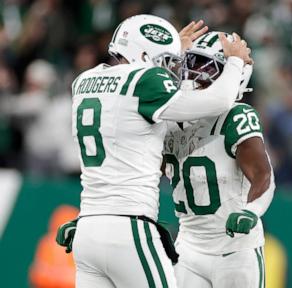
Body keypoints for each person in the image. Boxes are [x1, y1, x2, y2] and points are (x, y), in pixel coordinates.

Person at [57, 15, 252, 288]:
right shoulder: (145, 80)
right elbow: (217, 100)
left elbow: (128, 116)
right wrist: (235, 63)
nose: (170, 66)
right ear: (145, 53)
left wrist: (175, 49)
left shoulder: (83, 81)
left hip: (88, 227)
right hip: (128, 227)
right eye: (165, 59)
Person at [163, 31, 275, 288]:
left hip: (234, 250)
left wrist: (252, 211)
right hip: (189, 245)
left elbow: (263, 175)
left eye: (206, 67)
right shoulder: (170, 115)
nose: (193, 75)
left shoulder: (236, 117)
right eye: (191, 63)